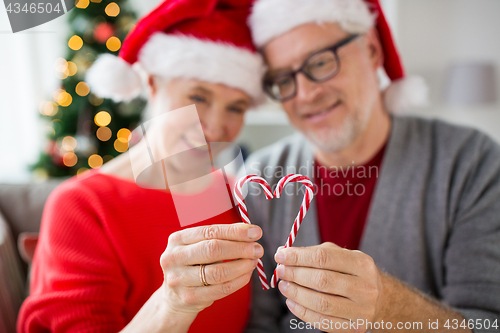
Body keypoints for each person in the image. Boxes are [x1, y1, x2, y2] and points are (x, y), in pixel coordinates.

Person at [241, 0, 500, 332]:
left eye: (320, 62)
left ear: (372, 49)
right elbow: (257, 324)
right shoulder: (262, 178)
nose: (305, 94)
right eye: (283, 79)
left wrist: (389, 307)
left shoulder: (470, 164)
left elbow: (488, 323)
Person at [17, 0, 268, 332]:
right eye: (198, 97)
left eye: (236, 108)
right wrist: (172, 305)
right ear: (151, 83)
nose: (215, 126)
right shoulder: (82, 206)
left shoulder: (233, 193)